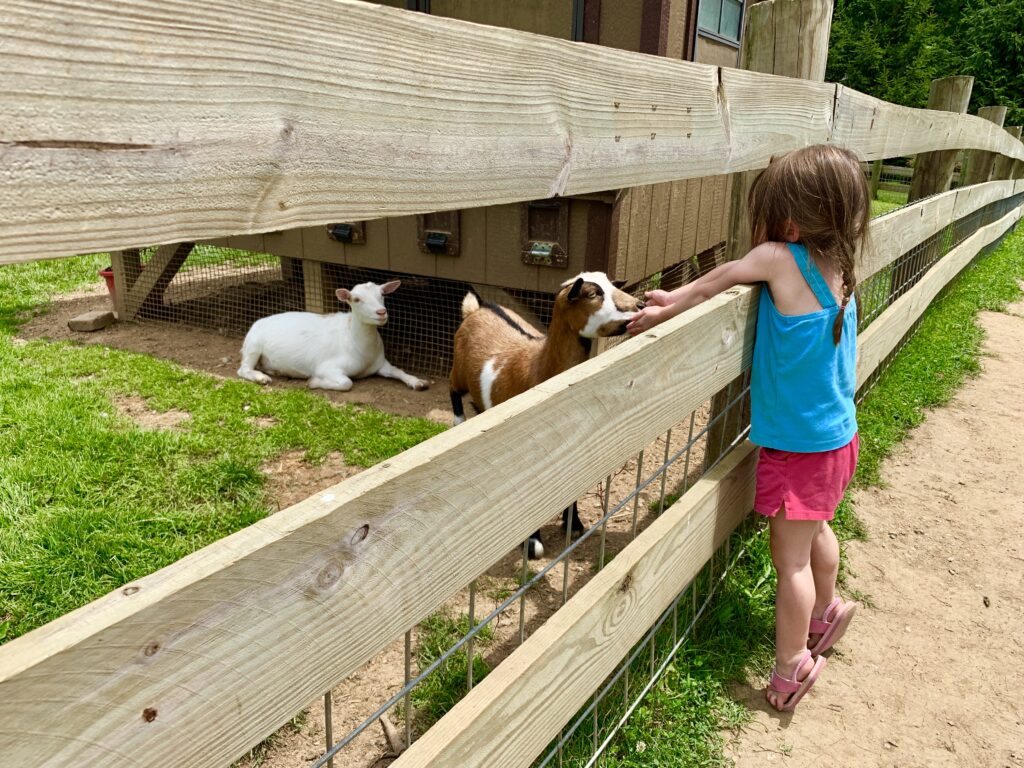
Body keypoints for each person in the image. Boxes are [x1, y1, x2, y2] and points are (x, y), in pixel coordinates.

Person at [627, 144, 867, 712]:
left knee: (790, 562)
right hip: (837, 438)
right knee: (816, 533)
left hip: (798, 446)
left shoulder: (781, 258)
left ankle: (791, 667)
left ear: (789, 219)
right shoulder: (842, 267)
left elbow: (722, 276)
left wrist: (669, 305)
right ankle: (826, 614)